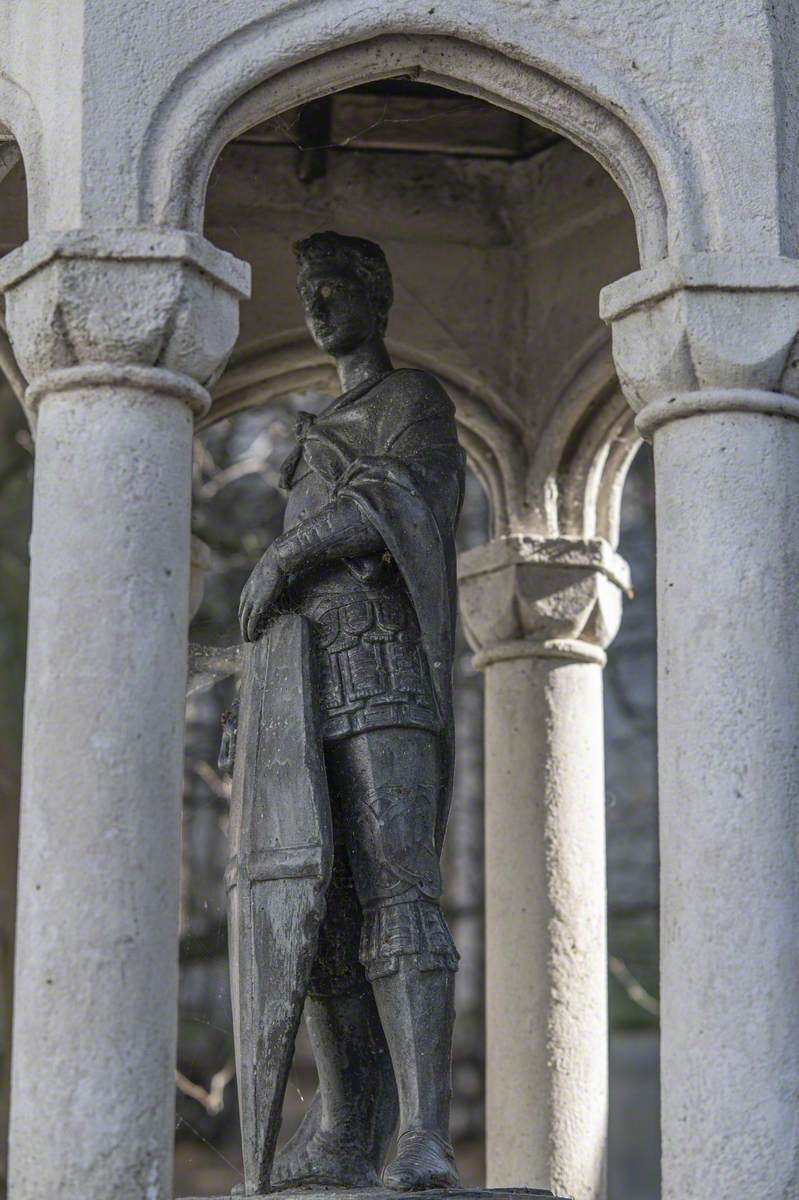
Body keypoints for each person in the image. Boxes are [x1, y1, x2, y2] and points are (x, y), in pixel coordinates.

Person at [238, 230, 465, 1190]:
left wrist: (287, 554)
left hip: (380, 669)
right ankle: (341, 1128)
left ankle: (421, 1132)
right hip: (302, 687)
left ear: (376, 299)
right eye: (309, 293)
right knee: (315, 914)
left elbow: (401, 499)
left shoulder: (410, 402)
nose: (320, 308)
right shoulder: (314, 429)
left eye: (335, 289)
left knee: (396, 894)